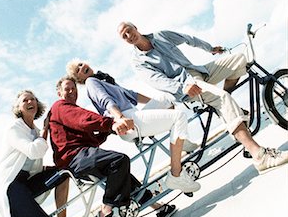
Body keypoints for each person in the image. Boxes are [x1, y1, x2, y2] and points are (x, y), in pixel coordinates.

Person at [117, 22, 288, 173]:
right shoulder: (138, 61)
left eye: (128, 30)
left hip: (199, 71)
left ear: (136, 28)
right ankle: (259, 157)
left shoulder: (160, 36)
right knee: (222, 98)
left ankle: (228, 114)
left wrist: (210, 48)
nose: (128, 36)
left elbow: (188, 38)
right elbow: (156, 81)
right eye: (124, 36)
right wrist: (183, 87)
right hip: (186, 87)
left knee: (239, 60)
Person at [48, 76, 179, 217]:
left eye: (74, 88)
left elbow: (93, 138)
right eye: (67, 88)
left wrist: (111, 130)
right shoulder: (61, 107)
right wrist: (111, 123)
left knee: (125, 177)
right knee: (119, 161)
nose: (71, 91)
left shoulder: (67, 112)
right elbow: (84, 119)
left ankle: (159, 208)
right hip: (75, 157)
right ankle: (105, 214)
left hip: (80, 156)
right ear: (59, 92)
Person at [66, 60, 201, 193]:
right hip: (127, 120)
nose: (81, 67)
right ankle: (176, 174)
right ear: (79, 79)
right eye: (77, 70)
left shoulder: (103, 80)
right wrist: (120, 117)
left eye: (80, 64)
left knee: (166, 99)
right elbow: (105, 100)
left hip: (134, 115)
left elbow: (132, 95)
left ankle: (180, 143)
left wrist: (157, 105)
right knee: (179, 117)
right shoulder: (91, 82)